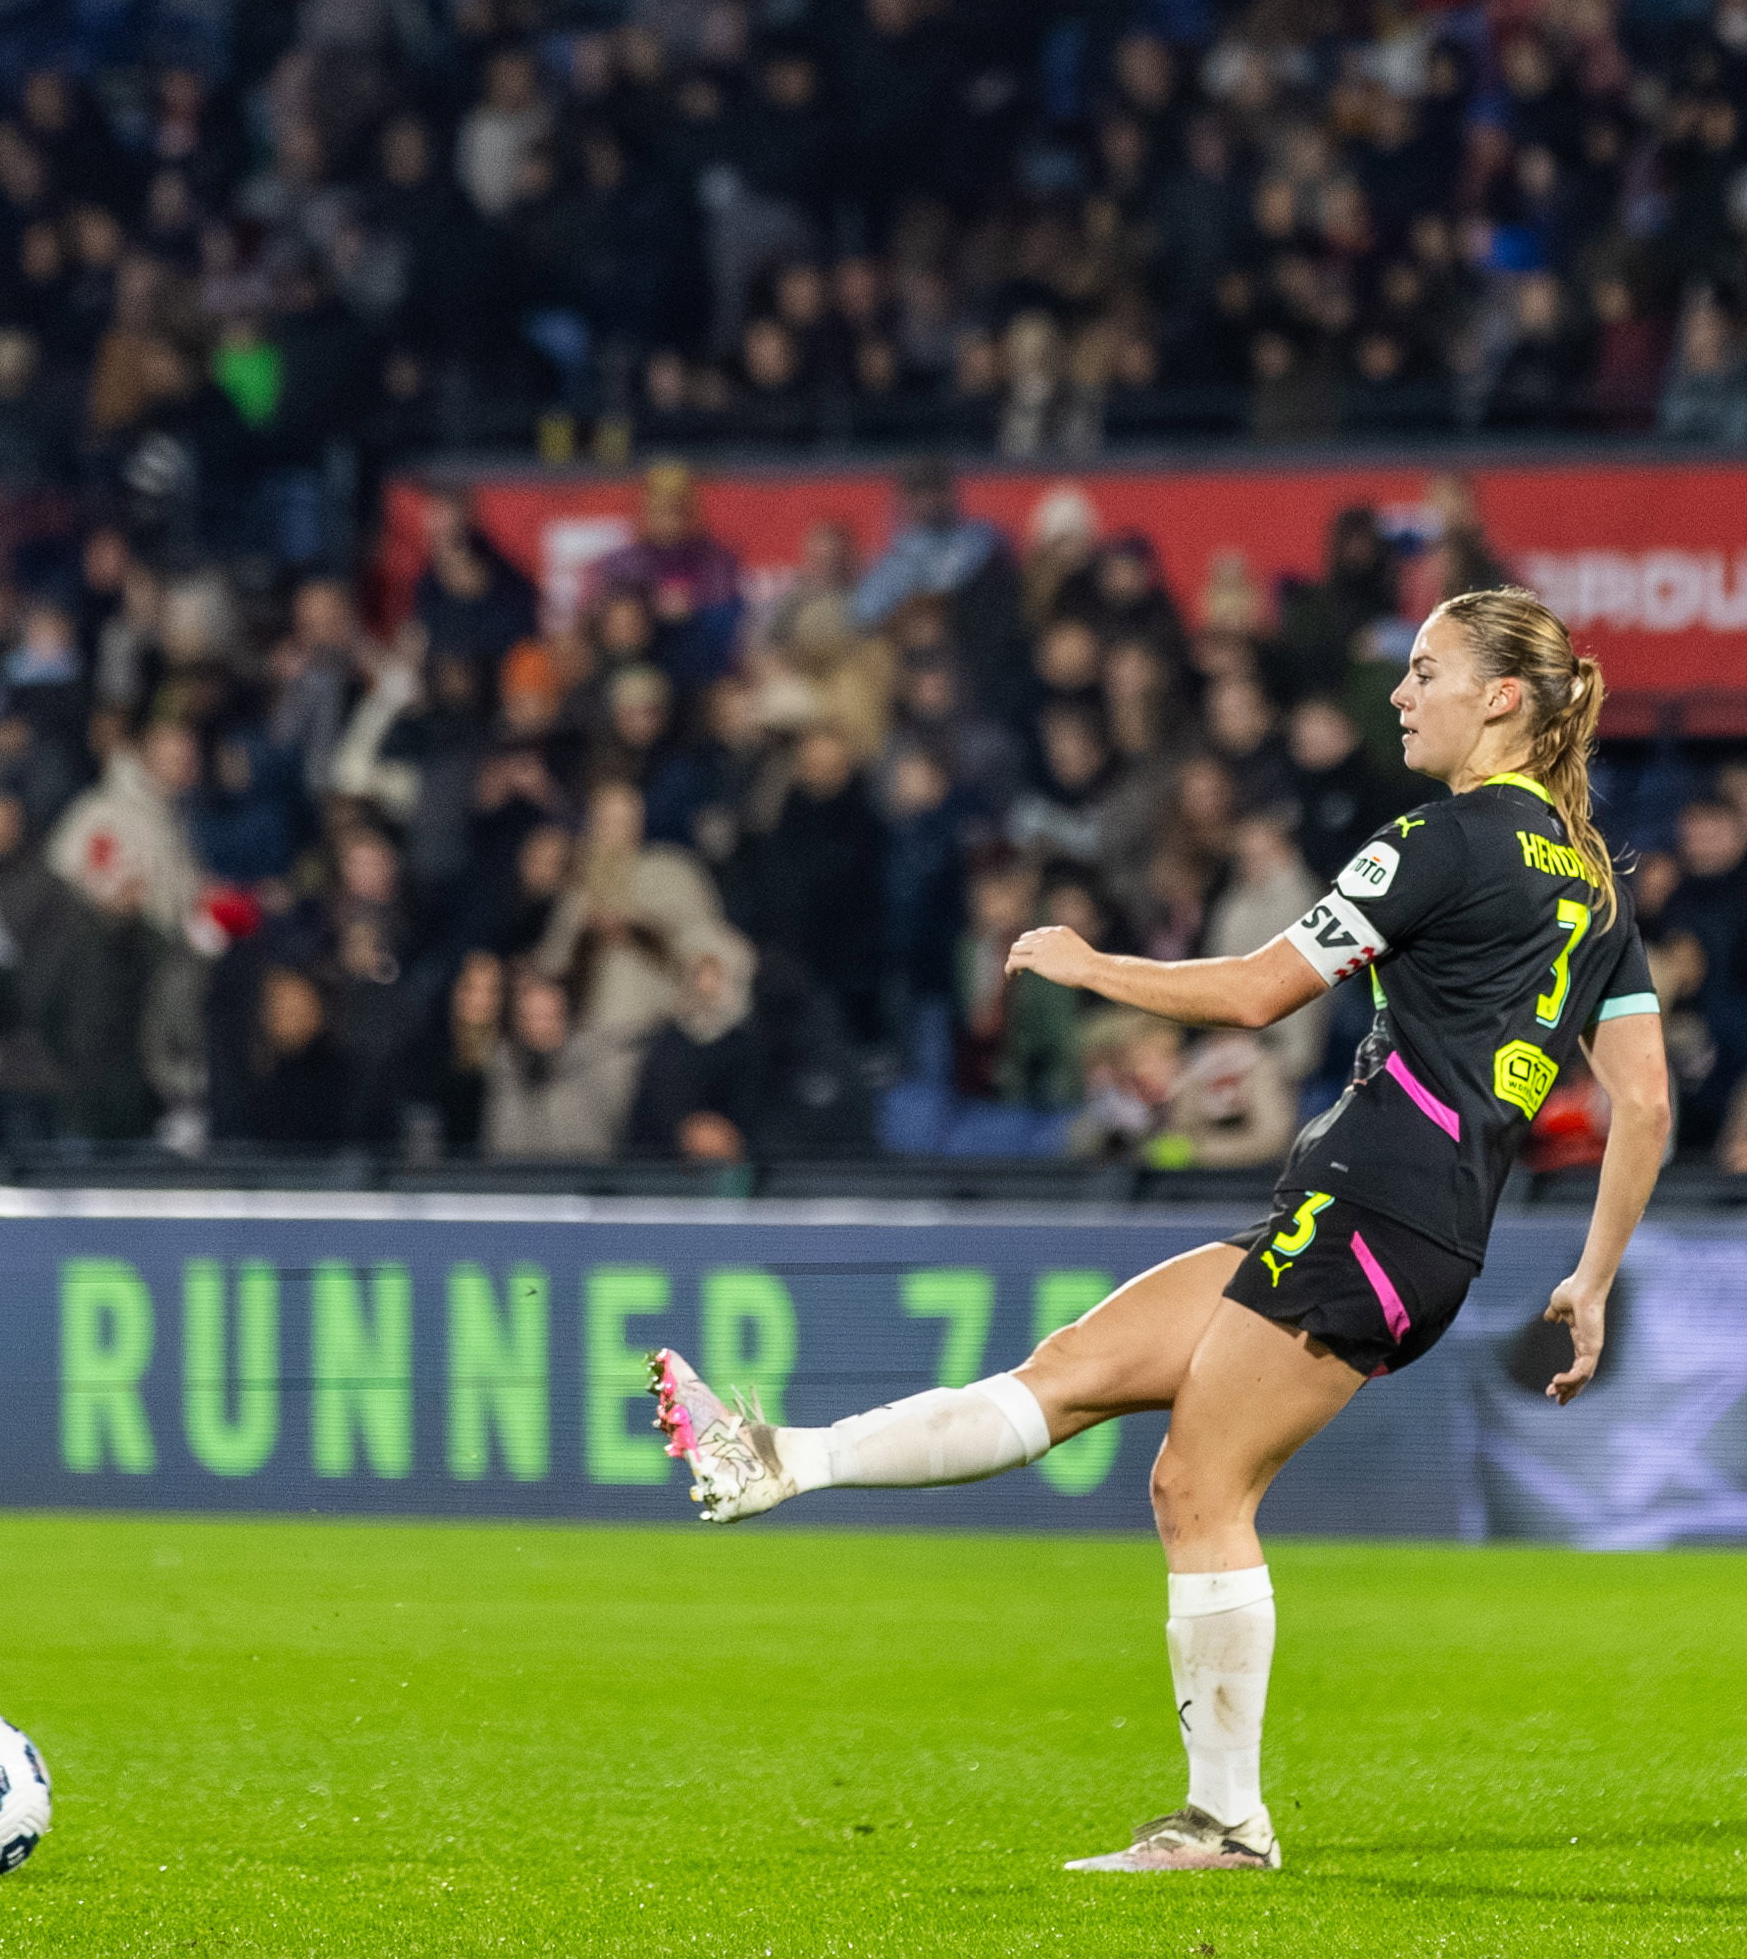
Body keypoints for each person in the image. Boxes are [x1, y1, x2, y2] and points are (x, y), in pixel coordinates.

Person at [644, 589, 1670, 1873]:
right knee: (1070, 1371)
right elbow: (1646, 1099)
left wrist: (1090, 965)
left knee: (1198, 1486)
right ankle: (776, 1458)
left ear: (1500, 697)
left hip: (1377, 1211)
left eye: (1423, 672)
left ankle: (1228, 1822)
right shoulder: (1593, 883)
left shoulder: (1438, 841)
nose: (1401, 696)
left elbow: (1253, 994)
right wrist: (1594, 1275)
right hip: (1388, 1218)